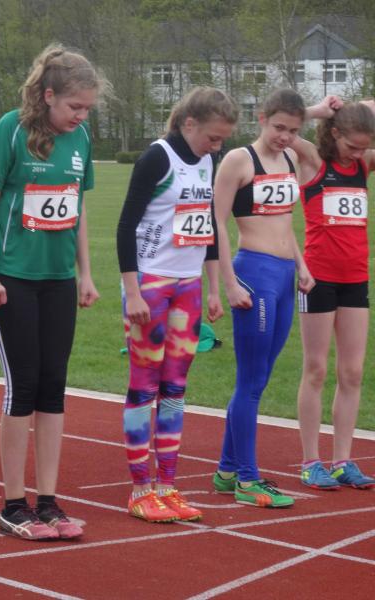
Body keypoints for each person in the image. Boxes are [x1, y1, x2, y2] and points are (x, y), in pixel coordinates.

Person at [0, 43, 103, 540]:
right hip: (14, 279)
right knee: (22, 387)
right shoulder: (11, 129)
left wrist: (85, 273)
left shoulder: (81, 137)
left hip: (58, 280)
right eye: (74, 106)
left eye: (87, 108)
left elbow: (77, 208)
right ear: (48, 96)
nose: (81, 115)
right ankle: (13, 504)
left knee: (54, 386)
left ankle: (47, 500)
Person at [116, 86, 236, 522]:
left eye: (222, 140)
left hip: (188, 285)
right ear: (189, 124)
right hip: (151, 283)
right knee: (143, 386)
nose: (217, 146)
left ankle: (167, 485)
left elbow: (206, 227)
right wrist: (132, 291)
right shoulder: (157, 158)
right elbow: (126, 225)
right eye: (213, 137)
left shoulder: (207, 160)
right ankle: (140, 489)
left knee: (176, 388)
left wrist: (213, 288)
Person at [211, 89, 318, 508]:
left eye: (293, 130)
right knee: (251, 382)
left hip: (285, 276)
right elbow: (216, 223)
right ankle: (248, 479)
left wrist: (301, 264)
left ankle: (226, 471)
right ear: (261, 118)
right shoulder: (238, 160)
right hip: (253, 275)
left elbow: (284, 222)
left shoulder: (290, 158)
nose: (285, 137)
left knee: (260, 378)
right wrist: (229, 283)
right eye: (278, 127)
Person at [290, 99, 375, 490]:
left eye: (365, 147)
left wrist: (358, 107)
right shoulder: (312, 161)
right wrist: (319, 111)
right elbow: (279, 125)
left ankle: (343, 460)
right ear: (335, 133)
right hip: (317, 279)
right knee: (316, 369)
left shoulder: (362, 165)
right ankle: (311, 461)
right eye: (353, 145)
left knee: (352, 372)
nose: (359, 153)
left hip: (356, 279)